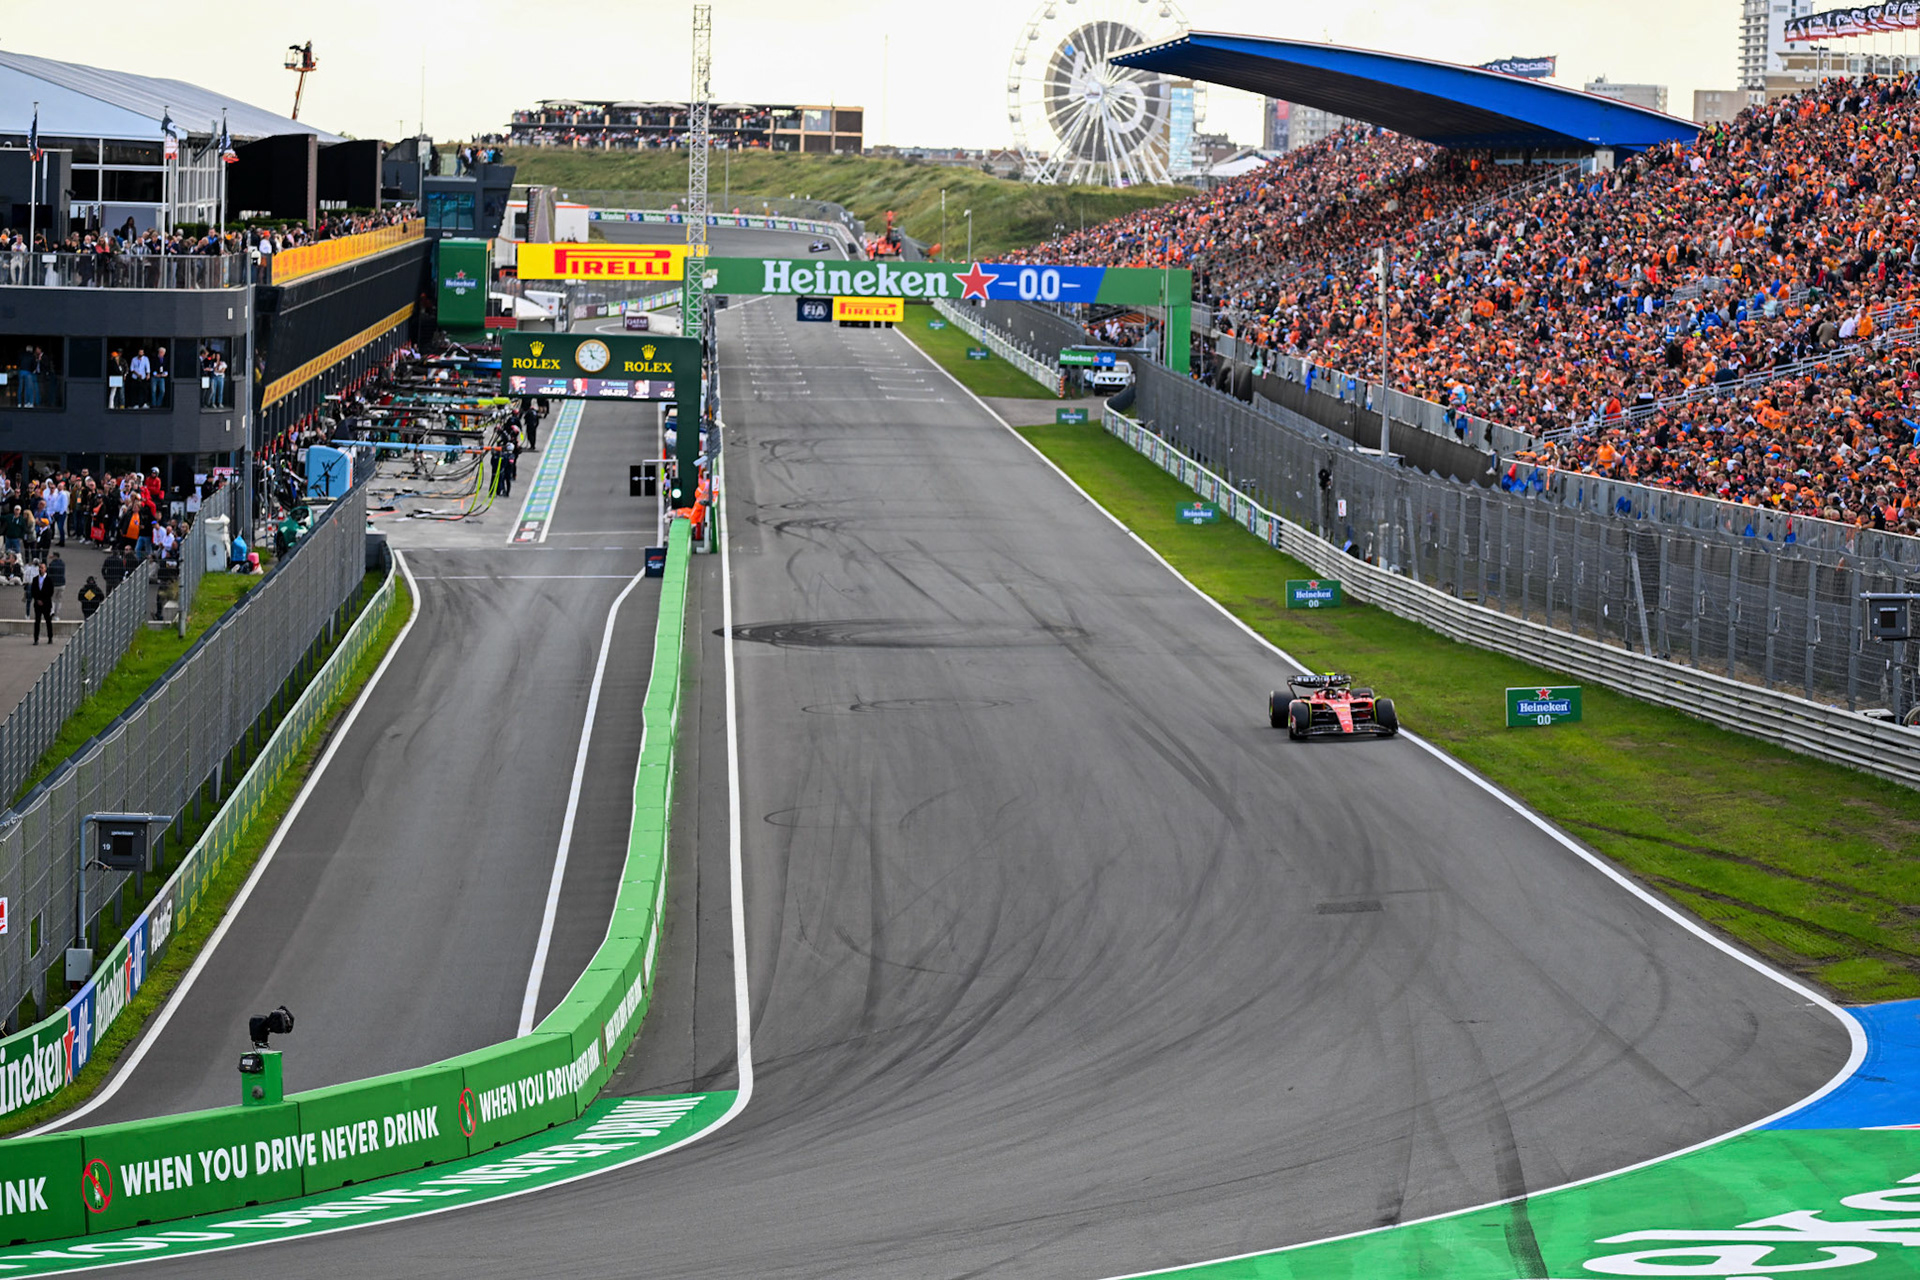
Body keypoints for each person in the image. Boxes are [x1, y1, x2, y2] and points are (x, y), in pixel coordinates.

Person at [29, 564, 53, 645]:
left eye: (42, 568)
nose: (40, 569)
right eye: (39, 568)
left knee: (48, 621)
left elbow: (50, 592)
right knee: (37, 622)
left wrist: (43, 600)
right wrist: (37, 600)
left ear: (45, 569)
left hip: (46, 604)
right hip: (37, 604)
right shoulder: (35, 579)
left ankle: (50, 637)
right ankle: (36, 639)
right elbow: (33, 591)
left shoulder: (49, 580)